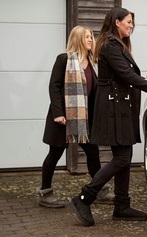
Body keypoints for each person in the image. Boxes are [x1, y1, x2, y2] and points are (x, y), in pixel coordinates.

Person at [69, 8, 147, 227]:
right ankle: (84, 198)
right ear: (117, 22)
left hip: (120, 107)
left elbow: (125, 75)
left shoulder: (115, 44)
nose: (131, 25)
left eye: (132, 22)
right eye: (128, 22)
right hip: (113, 109)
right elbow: (126, 75)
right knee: (122, 159)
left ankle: (122, 206)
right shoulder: (110, 45)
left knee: (123, 157)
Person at [38, 25, 114, 208]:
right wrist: (58, 113)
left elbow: (95, 91)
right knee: (55, 154)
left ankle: (99, 190)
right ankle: (45, 192)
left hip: (83, 118)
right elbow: (54, 86)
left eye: (91, 37)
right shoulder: (64, 59)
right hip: (63, 117)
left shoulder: (91, 62)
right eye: (87, 37)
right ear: (78, 38)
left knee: (92, 153)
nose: (91, 40)